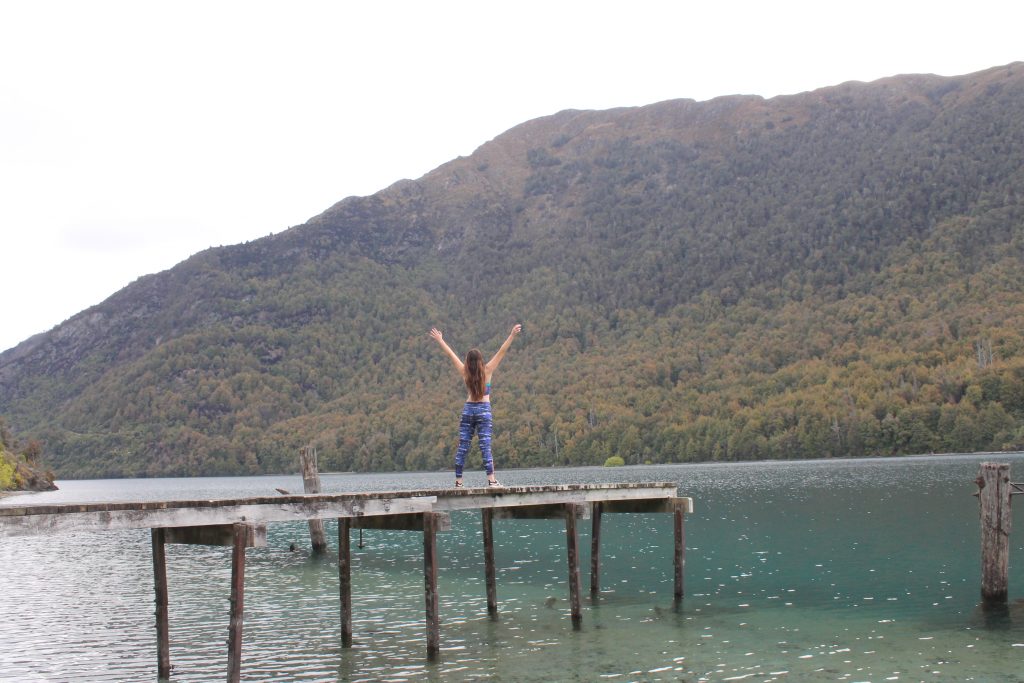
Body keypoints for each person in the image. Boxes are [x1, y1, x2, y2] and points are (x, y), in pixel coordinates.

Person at [429, 324, 522, 488]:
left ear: (467, 361)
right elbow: (502, 351)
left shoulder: (465, 371)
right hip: (484, 410)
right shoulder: (488, 370)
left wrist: (440, 340)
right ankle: (491, 480)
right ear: (480, 360)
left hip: (468, 409)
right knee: (485, 445)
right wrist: (512, 335)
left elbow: (450, 354)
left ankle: (458, 482)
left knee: (463, 446)